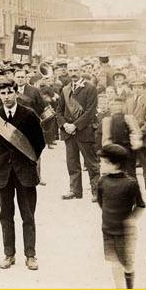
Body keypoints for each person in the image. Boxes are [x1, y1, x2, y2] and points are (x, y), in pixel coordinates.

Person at [0, 79, 45, 271]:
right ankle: (9, 254)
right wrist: (4, 161)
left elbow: (39, 143)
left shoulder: (29, 115)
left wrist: (26, 160)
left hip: (25, 173)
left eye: (10, 92)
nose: (6, 96)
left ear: (16, 93)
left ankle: (31, 255)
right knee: (5, 216)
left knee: (28, 216)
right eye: (2, 93)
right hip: (3, 173)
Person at [96, 144, 146, 289]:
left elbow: (140, 205)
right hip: (107, 230)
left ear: (115, 164)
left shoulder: (130, 183)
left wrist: (131, 220)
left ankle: (130, 288)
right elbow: (101, 203)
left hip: (125, 233)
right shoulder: (102, 182)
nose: (100, 165)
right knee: (114, 262)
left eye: (104, 162)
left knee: (127, 263)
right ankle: (119, 289)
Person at [57, 61, 100, 202]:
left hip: (84, 131)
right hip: (68, 133)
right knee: (72, 162)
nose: (73, 73)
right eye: (71, 70)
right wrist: (65, 125)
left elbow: (90, 111)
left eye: (76, 70)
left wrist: (75, 125)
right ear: (68, 72)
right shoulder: (65, 89)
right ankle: (75, 190)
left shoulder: (90, 88)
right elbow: (59, 111)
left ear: (81, 71)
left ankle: (96, 191)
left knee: (91, 163)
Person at [100, 96, 143, 179]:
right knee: (115, 171)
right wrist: (108, 150)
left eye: (119, 105)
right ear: (110, 106)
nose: (117, 107)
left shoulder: (129, 118)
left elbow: (135, 132)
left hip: (128, 149)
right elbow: (106, 137)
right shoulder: (107, 120)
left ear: (123, 106)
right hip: (114, 149)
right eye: (114, 104)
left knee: (130, 172)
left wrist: (134, 145)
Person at [125, 78, 146, 197]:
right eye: (134, 87)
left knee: (145, 165)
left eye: (139, 87)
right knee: (130, 165)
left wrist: (138, 133)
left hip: (142, 137)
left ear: (143, 88)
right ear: (132, 89)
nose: (137, 89)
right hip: (130, 137)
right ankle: (133, 189)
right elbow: (126, 118)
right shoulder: (128, 101)